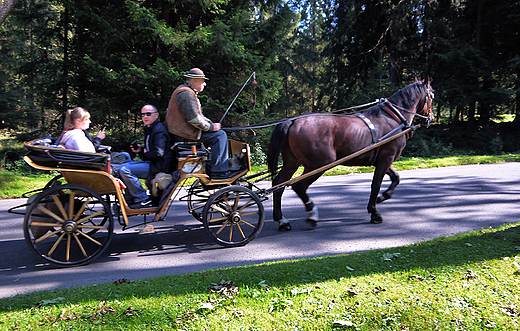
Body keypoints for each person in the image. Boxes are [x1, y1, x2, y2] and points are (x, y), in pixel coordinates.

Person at [166, 68, 238, 179]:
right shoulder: (186, 94)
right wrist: (210, 127)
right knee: (220, 136)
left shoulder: (185, 91)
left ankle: (212, 168)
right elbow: (194, 119)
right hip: (183, 135)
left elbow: (198, 116)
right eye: (203, 81)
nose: (204, 84)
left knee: (218, 133)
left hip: (183, 132)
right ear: (195, 81)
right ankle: (218, 172)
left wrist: (210, 124)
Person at [112, 105, 172, 209]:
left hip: (158, 166)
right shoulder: (151, 129)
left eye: (148, 114)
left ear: (156, 115)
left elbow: (159, 153)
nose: (145, 117)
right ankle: (129, 199)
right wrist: (141, 150)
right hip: (152, 163)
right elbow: (152, 150)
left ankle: (143, 199)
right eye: (143, 114)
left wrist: (145, 154)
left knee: (124, 170)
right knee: (124, 163)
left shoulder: (159, 131)